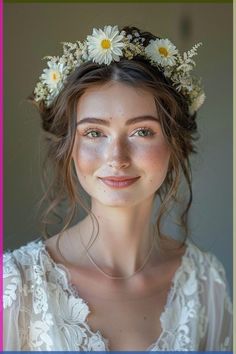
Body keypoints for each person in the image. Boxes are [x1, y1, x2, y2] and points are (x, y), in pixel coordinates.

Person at [3, 25, 232, 351]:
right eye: (94, 133)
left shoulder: (207, 282)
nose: (117, 158)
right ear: (69, 146)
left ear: (174, 143)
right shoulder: (15, 285)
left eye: (142, 132)